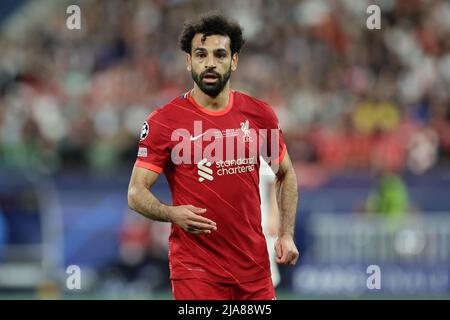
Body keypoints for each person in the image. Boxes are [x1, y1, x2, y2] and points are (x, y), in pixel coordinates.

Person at [127, 13, 299, 300]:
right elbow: (135, 192)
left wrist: (285, 234)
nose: (209, 63)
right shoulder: (165, 121)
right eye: (200, 54)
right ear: (188, 61)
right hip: (196, 271)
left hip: (254, 270)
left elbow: (285, 173)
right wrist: (171, 214)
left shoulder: (259, 115)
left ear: (234, 60)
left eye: (220, 54)